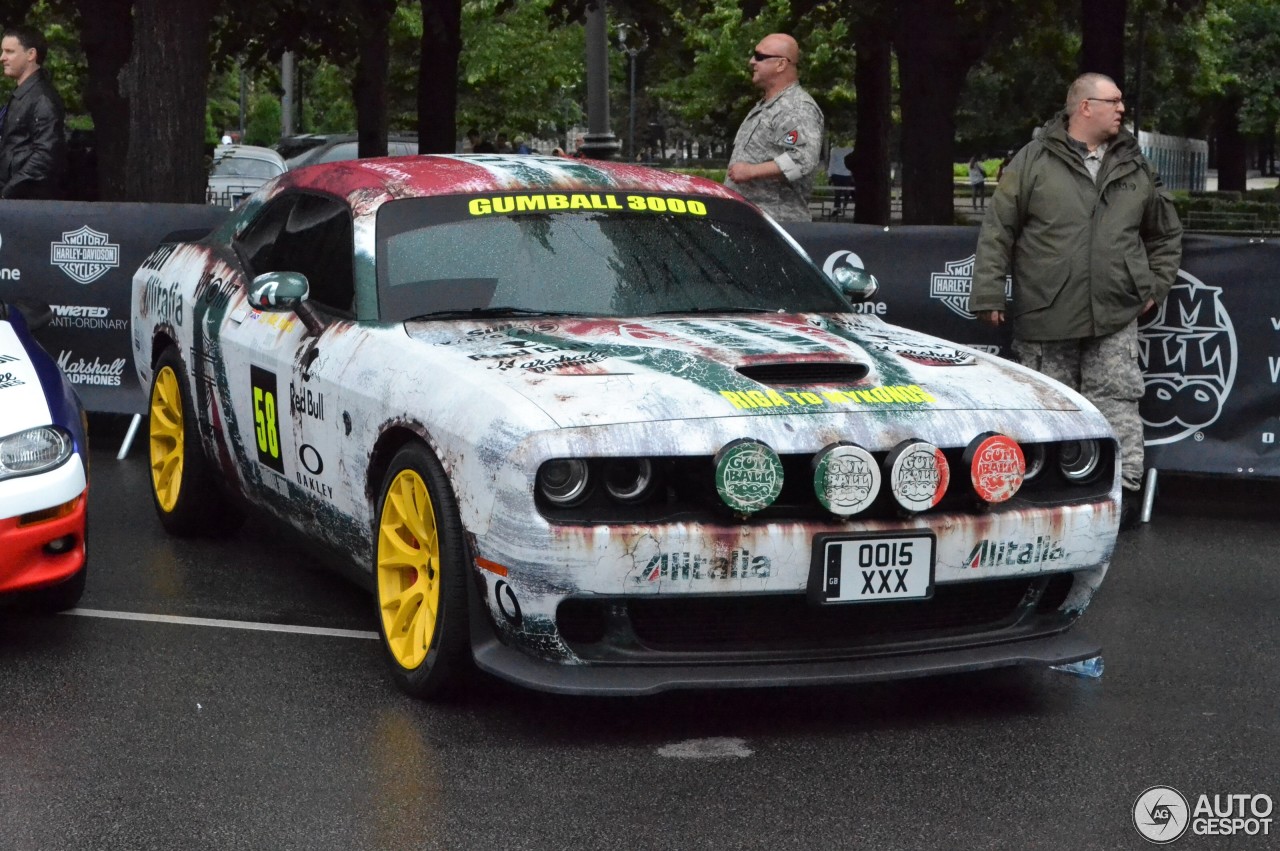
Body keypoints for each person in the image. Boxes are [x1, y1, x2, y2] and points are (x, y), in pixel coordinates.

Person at [970, 72, 1183, 530]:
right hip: (1047, 309)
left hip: (1115, 310)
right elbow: (997, 230)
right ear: (1084, 107)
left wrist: (1153, 286)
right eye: (1114, 101)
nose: (1122, 108)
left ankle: (1122, 494)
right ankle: (1040, 494)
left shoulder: (1134, 164)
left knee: (1118, 402)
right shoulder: (1033, 160)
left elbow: (1165, 233)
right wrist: (988, 291)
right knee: (1045, 406)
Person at [724, 33, 824, 222]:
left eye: (760, 57)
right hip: (754, 221)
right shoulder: (770, 105)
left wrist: (751, 171)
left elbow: (803, 159)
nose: (752, 61)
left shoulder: (794, 107)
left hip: (777, 223)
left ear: (781, 64)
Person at [0, 24, 67, 199]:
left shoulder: (42, 98)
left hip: (27, 204)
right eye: (2, 51)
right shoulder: (24, 95)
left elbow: (45, 156)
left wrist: (6, 193)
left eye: (10, 51)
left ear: (31, 54)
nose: (2, 58)